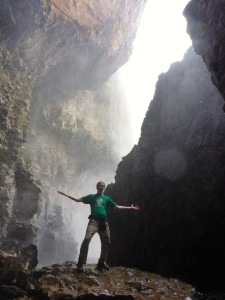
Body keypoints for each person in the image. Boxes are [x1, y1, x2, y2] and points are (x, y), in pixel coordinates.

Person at [57, 181, 140, 272]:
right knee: (87, 239)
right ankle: (81, 263)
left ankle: (101, 263)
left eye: (102, 186)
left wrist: (130, 208)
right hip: (93, 221)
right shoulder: (91, 197)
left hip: (104, 222)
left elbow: (117, 207)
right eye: (99, 186)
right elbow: (77, 199)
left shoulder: (106, 199)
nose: (101, 187)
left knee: (107, 242)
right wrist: (65, 194)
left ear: (104, 188)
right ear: (97, 187)